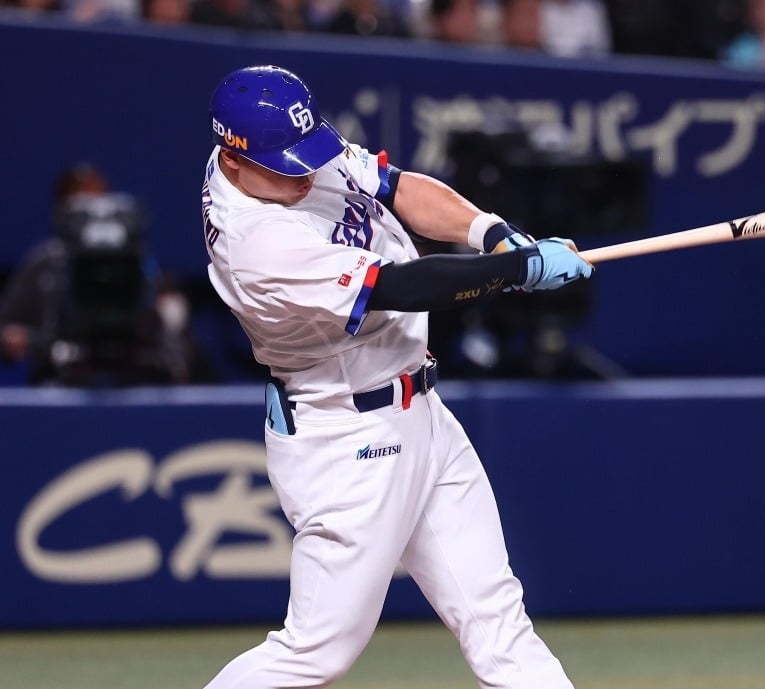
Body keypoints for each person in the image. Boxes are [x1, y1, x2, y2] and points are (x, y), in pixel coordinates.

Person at [200, 65, 592, 689]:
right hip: (346, 437)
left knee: (497, 620)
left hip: (419, 409)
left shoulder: (286, 147)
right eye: (285, 168)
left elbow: (397, 187)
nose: (305, 174)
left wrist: (492, 234)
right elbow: (401, 287)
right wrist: (513, 271)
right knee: (315, 652)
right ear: (233, 158)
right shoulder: (257, 243)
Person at [0, 163, 209, 386]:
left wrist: (169, 322)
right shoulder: (45, 264)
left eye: (95, 198)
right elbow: (5, 329)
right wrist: (14, 339)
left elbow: (170, 336)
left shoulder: (138, 261)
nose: (90, 209)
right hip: (61, 381)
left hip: (132, 381)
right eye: (78, 202)